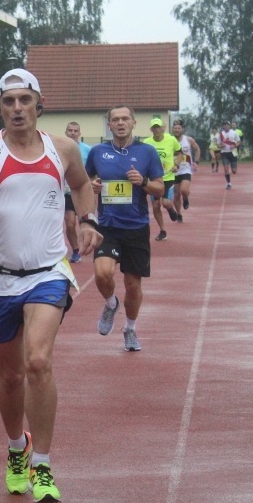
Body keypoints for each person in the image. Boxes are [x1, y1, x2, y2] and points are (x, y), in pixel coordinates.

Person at [0, 68, 100, 503]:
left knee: (38, 361)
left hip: (48, 272)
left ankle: (42, 464)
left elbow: (82, 186)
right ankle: (17, 449)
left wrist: (88, 221)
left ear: (38, 105)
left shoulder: (62, 149)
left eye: (24, 100)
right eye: (8, 101)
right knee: (10, 376)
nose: (17, 108)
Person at [85, 105, 165, 352]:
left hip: (136, 227)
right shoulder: (98, 152)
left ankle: (130, 329)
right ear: (109, 125)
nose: (120, 123)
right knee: (102, 273)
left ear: (133, 123)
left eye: (125, 119)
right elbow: (84, 182)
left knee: (133, 286)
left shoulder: (147, 152)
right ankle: (111, 304)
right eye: (116, 119)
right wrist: (92, 185)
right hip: (108, 226)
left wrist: (143, 181)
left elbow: (160, 188)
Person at [143, 116, 182, 241]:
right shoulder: (147, 142)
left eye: (158, 127)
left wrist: (176, 164)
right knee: (155, 205)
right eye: (154, 127)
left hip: (168, 177)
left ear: (162, 128)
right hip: (154, 178)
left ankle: (170, 208)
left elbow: (180, 153)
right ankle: (163, 230)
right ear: (151, 129)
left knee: (166, 203)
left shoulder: (171, 140)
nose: (156, 130)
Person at [64, 121, 92, 262]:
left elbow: (93, 170)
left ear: (79, 134)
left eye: (75, 131)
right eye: (70, 130)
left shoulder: (87, 150)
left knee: (85, 223)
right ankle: (76, 250)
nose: (73, 133)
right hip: (67, 192)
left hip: (82, 192)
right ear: (66, 133)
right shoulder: (60, 149)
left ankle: (89, 245)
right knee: (70, 223)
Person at [171, 118, 200, 214]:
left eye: (179, 128)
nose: (177, 130)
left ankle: (185, 198)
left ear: (182, 129)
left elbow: (197, 149)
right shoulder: (169, 140)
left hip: (186, 169)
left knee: (184, 190)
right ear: (172, 129)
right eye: (175, 128)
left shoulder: (188, 140)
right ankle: (179, 213)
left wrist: (196, 162)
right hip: (174, 171)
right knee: (176, 195)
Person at [217, 120, 241, 189]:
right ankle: (229, 183)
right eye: (225, 125)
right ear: (223, 126)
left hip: (233, 152)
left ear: (229, 126)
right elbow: (218, 145)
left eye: (227, 125)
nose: (226, 126)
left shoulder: (234, 133)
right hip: (224, 153)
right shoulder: (221, 134)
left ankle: (233, 168)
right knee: (226, 168)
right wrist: (221, 146)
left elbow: (239, 141)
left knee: (234, 171)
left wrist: (235, 145)